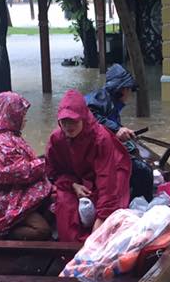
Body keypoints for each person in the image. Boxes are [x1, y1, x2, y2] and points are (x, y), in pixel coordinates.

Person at [45, 89, 132, 243]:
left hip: (110, 173)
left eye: (74, 121)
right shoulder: (56, 139)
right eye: (64, 122)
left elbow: (107, 183)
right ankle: (74, 245)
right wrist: (73, 185)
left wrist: (101, 221)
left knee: (111, 208)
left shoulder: (101, 139)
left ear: (84, 118)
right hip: (76, 179)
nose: (68, 126)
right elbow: (53, 172)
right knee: (64, 205)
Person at [0, 91, 53, 240]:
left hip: (12, 192)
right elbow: (21, 171)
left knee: (52, 199)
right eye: (22, 115)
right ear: (12, 115)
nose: (25, 120)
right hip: (1, 200)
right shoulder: (3, 142)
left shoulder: (11, 138)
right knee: (43, 231)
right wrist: (44, 164)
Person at [85, 64, 153, 200]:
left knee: (136, 156)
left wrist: (121, 130)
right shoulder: (100, 98)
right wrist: (116, 129)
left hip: (101, 149)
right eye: (129, 90)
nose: (129, 94)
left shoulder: (111, 102)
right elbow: (90, 116)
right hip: (95, 154)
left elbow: (108, 123)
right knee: (144, 171)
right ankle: (141, 205)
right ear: (122, 89)